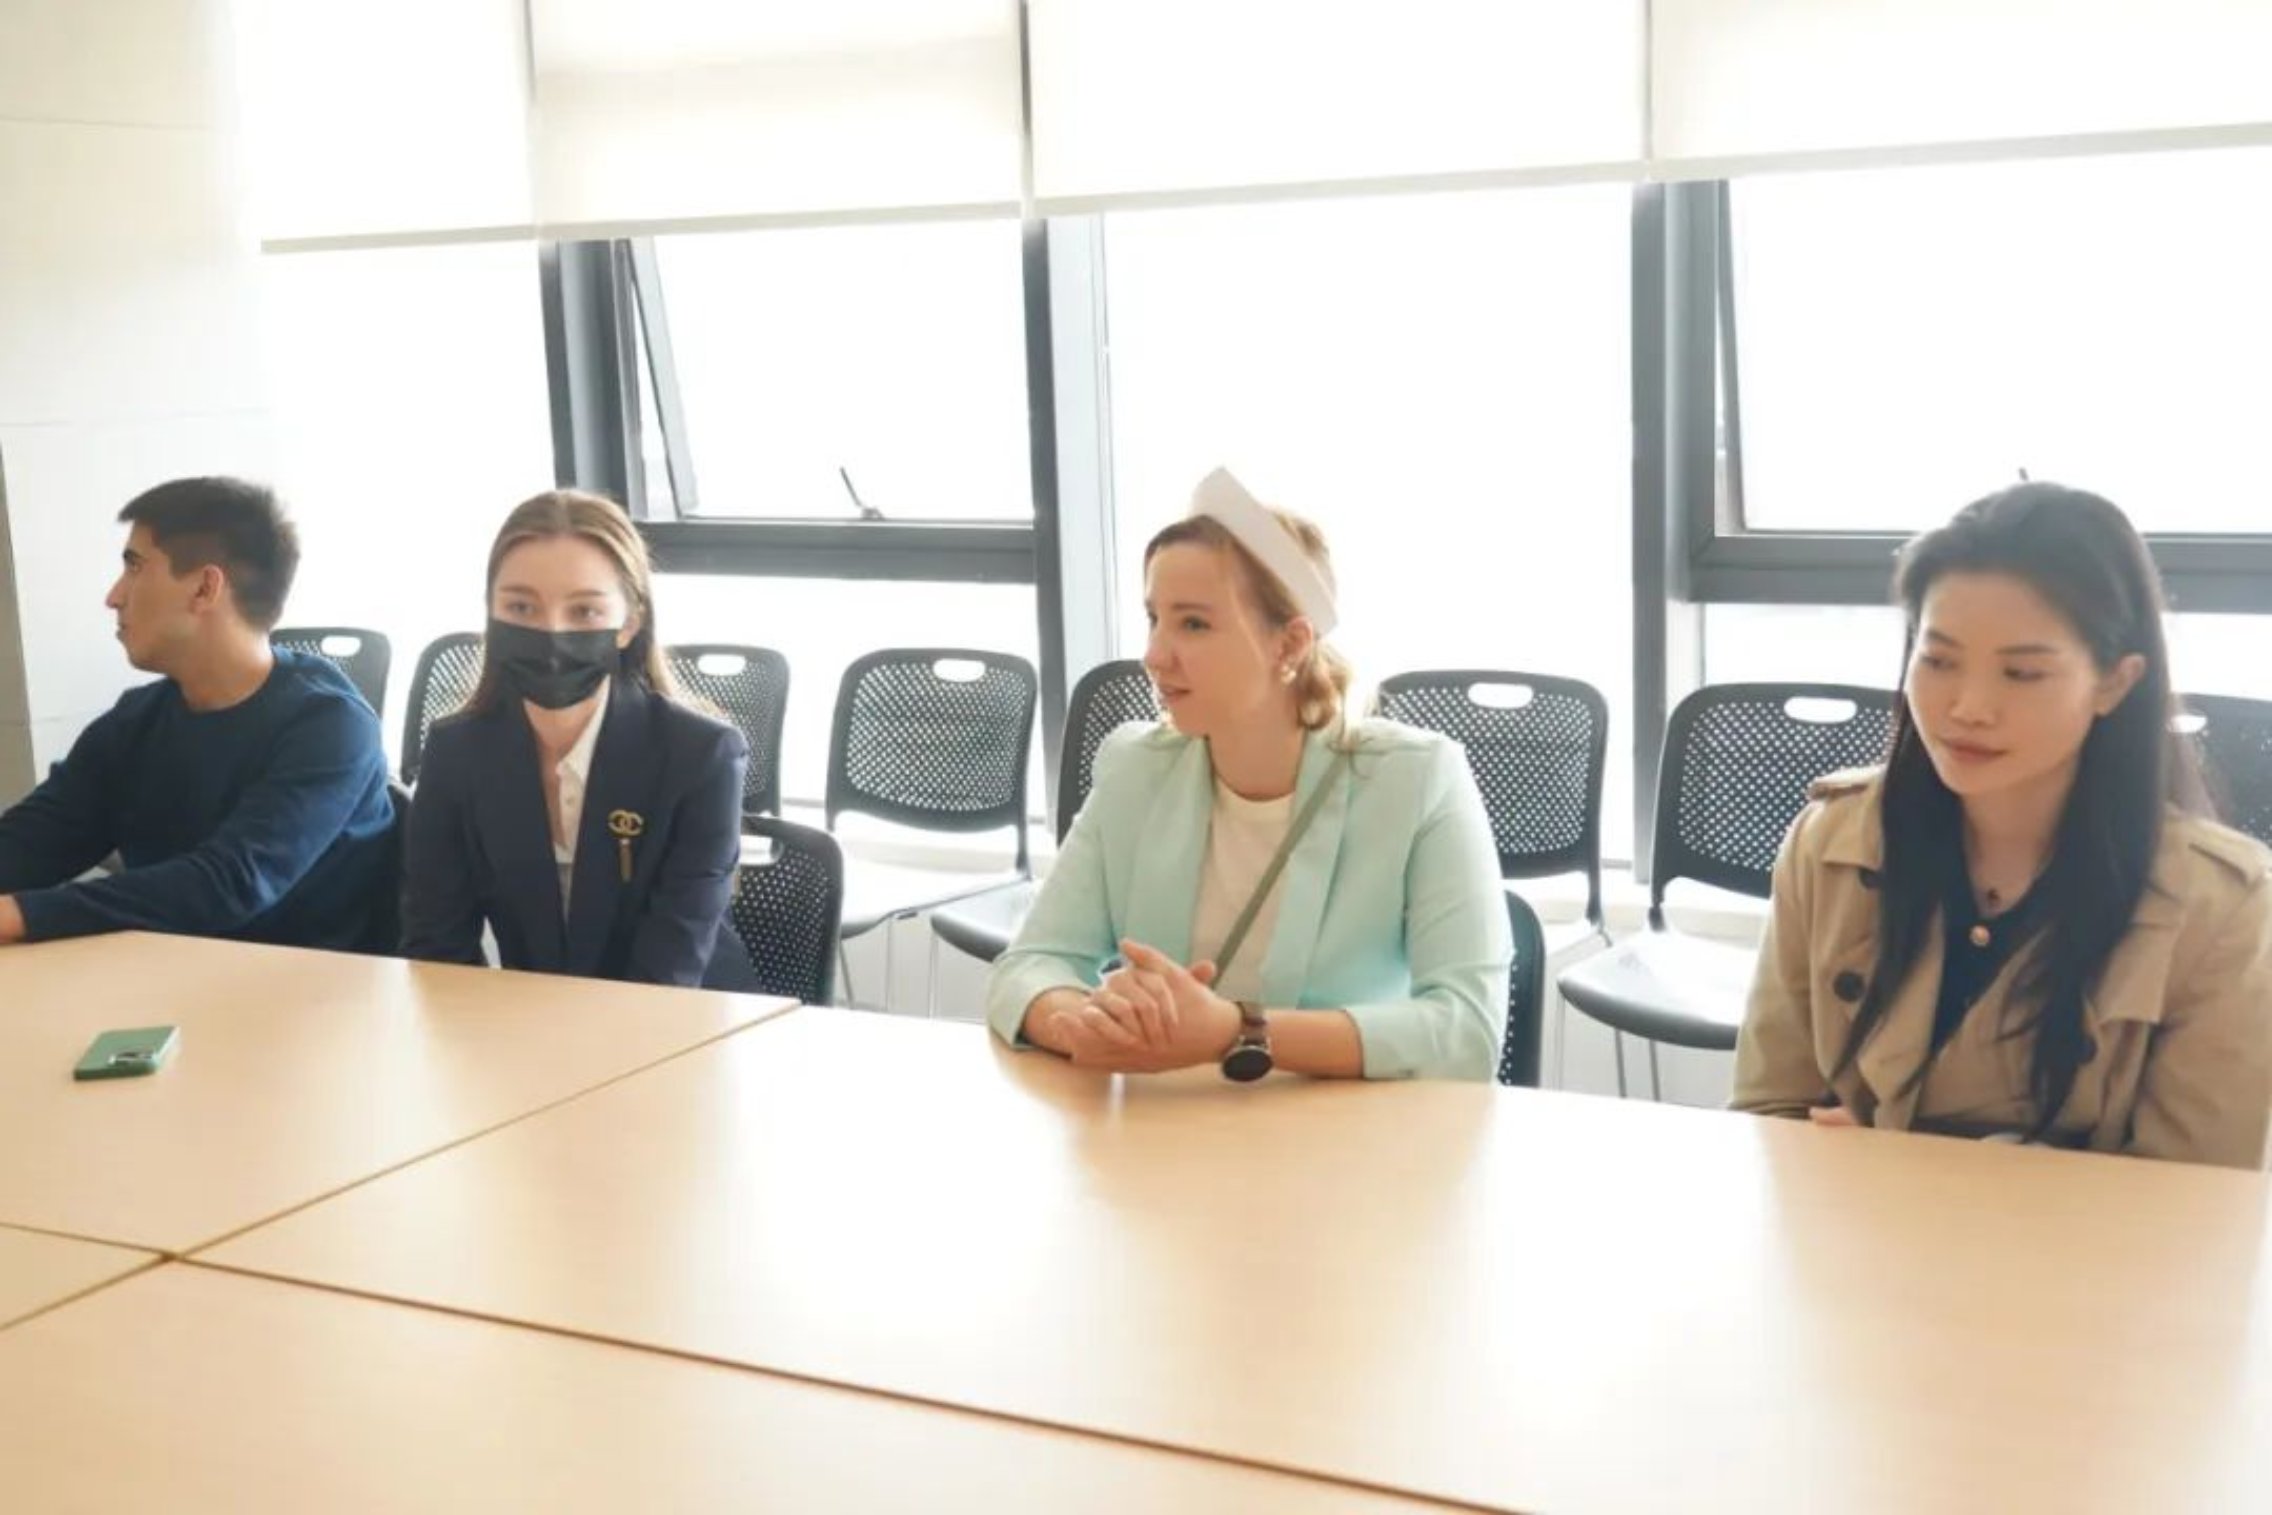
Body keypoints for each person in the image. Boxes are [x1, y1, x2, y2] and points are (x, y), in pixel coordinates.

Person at [1733, 483, 2272, 1169]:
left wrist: (1904, 1163)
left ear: (2114, 682)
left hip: (2085, 1245)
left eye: (2021, 673)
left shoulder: (2222, 903)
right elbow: (1769, 1115)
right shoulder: (1831, 841)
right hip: (1847, 1231)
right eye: (1938, 660)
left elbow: (2195, 1196)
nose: (1969, 706)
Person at [985, 469, 1510, 1081]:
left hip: (1345, 1124)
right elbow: (1030, 964)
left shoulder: (1416, 780)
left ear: (1289, 645)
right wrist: (1084, 1024)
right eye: (1153, 618)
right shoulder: (1134, 766)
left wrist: (1237, 1031)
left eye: (1193, 624)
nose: (1154, 654)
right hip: (1173, 1121)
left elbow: (1468, 1030)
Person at [0, 476, 394, 951]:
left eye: (135, 567)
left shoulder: (332, 725)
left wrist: (17, 915)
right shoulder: (136, 723)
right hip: (166, 977)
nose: (114, 596)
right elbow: (34, 840)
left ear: (206, 588)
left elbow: (230, 883)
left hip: (313, 989)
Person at [401, 489, 755, 989]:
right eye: (521, 606)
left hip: (688, 1018)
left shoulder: (702, 756)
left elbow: (669, 971)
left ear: (629, 624)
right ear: (490, 612)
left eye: (584, 611)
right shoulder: (455, 753)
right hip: (536, 1019)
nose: (551, 632)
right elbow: (437, 948)